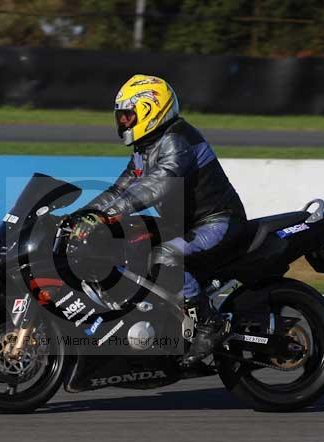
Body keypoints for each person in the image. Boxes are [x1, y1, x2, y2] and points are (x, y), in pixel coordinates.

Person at [81, 74, 247, 366]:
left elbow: (160, 183)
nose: (123, 123)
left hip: (216, 222)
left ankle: (210, 324)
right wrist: (83, 217)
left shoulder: (177, 140)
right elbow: (119, 189)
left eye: (127, 116)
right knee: (125, 238)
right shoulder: (145, 148)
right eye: (121, 117)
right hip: (184, 225)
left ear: (150, 111)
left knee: (165, 256)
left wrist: (112, 212)